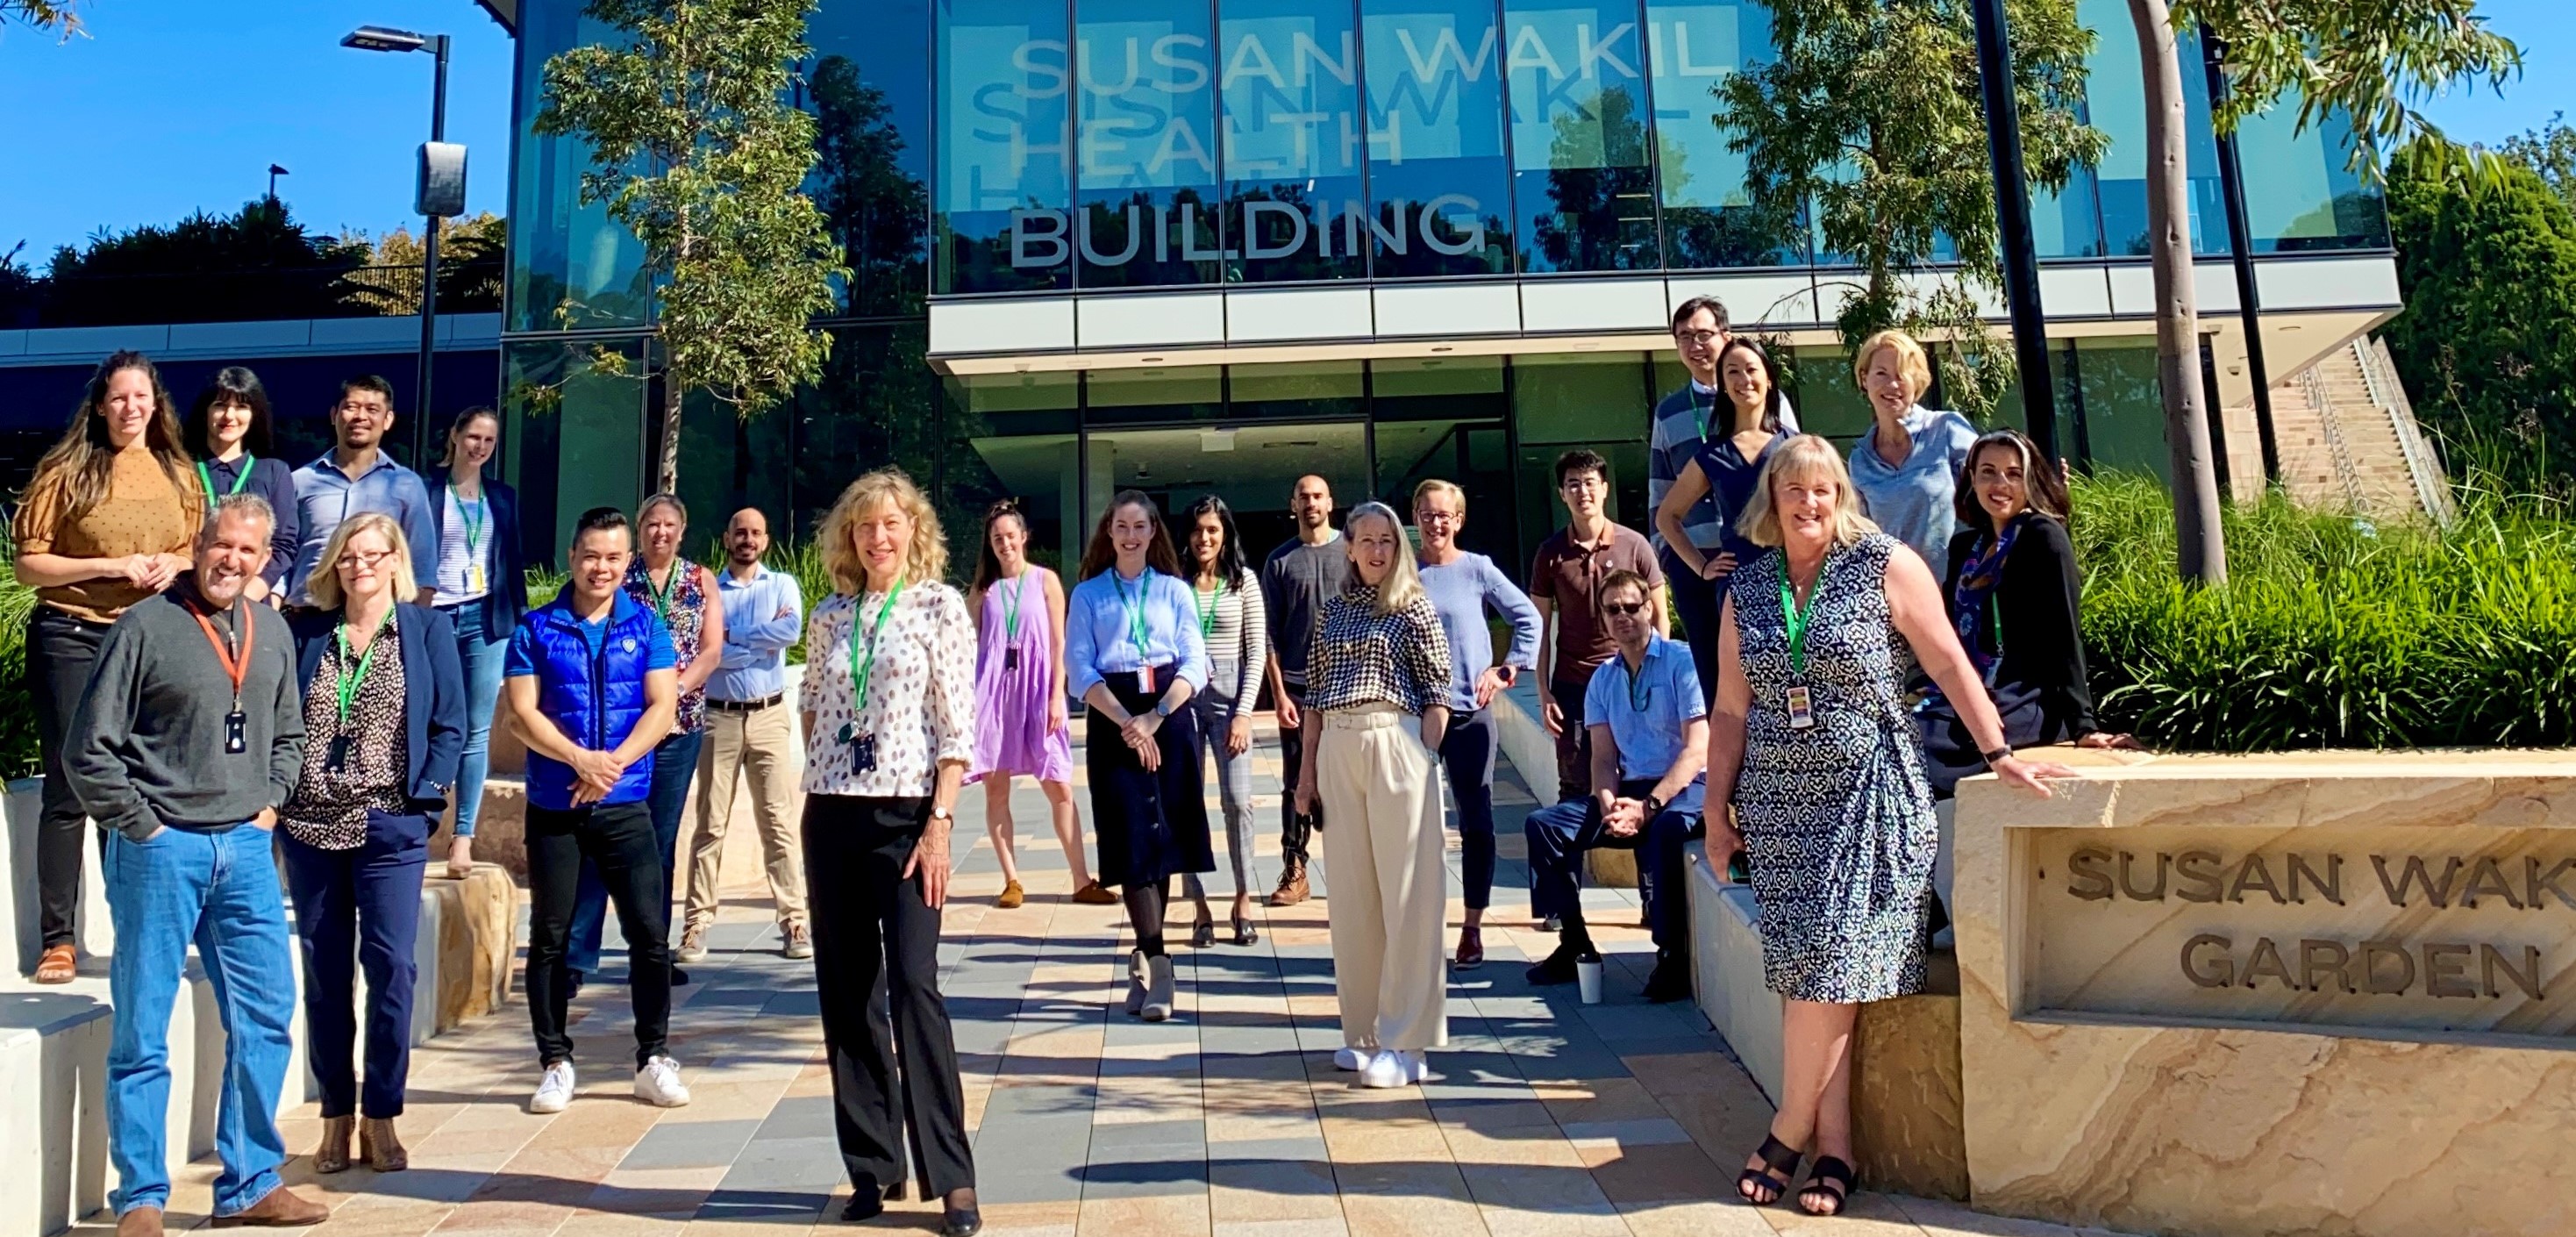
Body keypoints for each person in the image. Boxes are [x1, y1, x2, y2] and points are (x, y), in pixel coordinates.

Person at [1706, 436, 2071, 1217]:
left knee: (1832, 960)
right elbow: (1731, 709)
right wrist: (1714, 812)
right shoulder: (1749, 589)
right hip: (1779, 806)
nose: (1809, 503)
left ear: (1842, 497)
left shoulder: (1883, 564)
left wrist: (1999, 753)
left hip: (1869, 795)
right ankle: (1836, 1149)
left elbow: (1948, 663)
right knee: (1810, 972)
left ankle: (1788, 1128)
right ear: (1771, 500)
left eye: (1823, 489)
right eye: (1794, 489)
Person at [66, 494, 330, 1233]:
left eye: (248, 551)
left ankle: (250, 1181)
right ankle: (142, 1198)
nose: (232, 560)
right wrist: (142, 826)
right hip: (161, 850)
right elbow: (88, 749)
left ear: (264, 560)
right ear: (198, 543)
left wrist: (271, 802)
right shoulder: (144, 626)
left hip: (244, 848)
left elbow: (290, 733)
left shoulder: (272, 630)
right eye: (222, 545)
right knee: (143, 1027)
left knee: (266, 1015)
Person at [796, 469, 981, 1236]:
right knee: (848, 995)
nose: (878, 538)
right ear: (850, 536)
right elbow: (813, 706)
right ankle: (872, 1166)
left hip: (908, 816)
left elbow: (957, 727)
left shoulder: (939, 607)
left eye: (891, 524)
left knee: (914, 984)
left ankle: (953, 1177)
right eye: (865, 525)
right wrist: (831, 770)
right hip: (832, 813)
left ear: (914, 532)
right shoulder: (829, 616)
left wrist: (939, 823)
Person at [281, 514, 465, 1175]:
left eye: (372, 555)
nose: (360, 566)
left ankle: (381, 1114)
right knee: (325, 976)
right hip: (310, 825)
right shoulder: (307, 632)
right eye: (348, 556)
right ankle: (335, 1114)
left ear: (395, 561)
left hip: (390, 824)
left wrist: (426, 799)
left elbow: (451, 724)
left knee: (392, 970)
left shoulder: (426, 629)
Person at [13, 351, 201, 985]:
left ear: (156, 404)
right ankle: (59, 940)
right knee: (71, 785)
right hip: (71, 634)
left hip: (147, 639)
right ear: (100, 406)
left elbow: (194, 549)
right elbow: (30, 565)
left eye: (140, 397)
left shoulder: (179, 473)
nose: (130, 408)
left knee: (137, 785)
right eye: (118, 397)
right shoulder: (66, 471)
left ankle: (135, 929)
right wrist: (110, 566)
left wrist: (175, 564)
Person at [505, 506, 689, 1115]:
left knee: (649, 935)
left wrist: (610, 766)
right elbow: (522, 714)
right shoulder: (535, 628)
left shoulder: (647, 626)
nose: (601, 568)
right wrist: (579, 760)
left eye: (613, 557)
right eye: (591, 556)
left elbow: (662, 706)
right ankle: (555, 1061)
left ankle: (653, 1057)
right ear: (572, 557)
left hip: (625, 801)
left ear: (627, 562)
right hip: (556, 806)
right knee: (551, 937)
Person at [1916, 430, 2134, 925]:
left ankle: (1926, 912)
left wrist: (2083, 724)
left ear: (2031, 480)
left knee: (1921, 752)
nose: (2000, 484)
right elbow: (1945, 633)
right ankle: (1921, 908)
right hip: (1966, 690)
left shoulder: (2043, 537)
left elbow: (2065, 632)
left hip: (2025, 696)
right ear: (1971, 480)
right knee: (1895, 744)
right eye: (1988, 473)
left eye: (2013, 474)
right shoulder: (1967, 545)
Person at [1293, 501, 1452, 1090]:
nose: (1377, 550)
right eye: (1366, 540)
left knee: (1408, 897)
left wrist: (1424, 756)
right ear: (1350, 547)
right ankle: (1363, 1032)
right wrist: (1305, 777)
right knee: (1353, 899)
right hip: (1338, 743)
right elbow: (1313, 698)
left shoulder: (1413, 605)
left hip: (1394, 739)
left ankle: (1408, 1041)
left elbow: (1438, 692)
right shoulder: (1333, 610)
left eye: (1387, 540)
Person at [1521, 569, 1708, 1004]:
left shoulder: (1682, 662)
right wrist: (1609, 806)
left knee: (1665, 831)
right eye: (1612, 610)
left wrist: (1648, 808)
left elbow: (1697, 750)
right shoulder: (1602, 679)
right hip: (1630, 791)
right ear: (1603, 618)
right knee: (1544, 825)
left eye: (1631, 607)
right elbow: (1603, 759)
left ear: (1649, 609)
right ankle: (1574, 943)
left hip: (1686, 787)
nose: (1622, 616)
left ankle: (1671, 956)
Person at [565, 495, 724, 990]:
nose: (660, 532)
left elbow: (712, 650)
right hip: (620, 730)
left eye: (669, 524)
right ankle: (577, 956)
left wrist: (672, 693)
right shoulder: (618, 576)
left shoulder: (700, 579)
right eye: (652, 523)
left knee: (659, 841)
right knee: (598, 836)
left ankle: (652, 954)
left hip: (679, 729)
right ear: (639, 529)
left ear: (683, 529)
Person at [1067, 491, 1213, 1023]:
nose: (1130, 536)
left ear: (1154, 532)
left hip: (1167, 712)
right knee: (1131, 838)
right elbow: (1079, 667)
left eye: (1140, 527)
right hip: (1113, 716)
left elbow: (1195, 661)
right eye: (1121, 527)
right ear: (1109, 532)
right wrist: (1127, 722)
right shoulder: (1087, 594)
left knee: (1163, 839)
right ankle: (1158, 962)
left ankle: (1147, 960)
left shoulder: (1175, 590)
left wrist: (1155, 717)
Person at [1409, 479, 1539, 969]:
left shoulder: (1477, 569)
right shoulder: (1403, 573)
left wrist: (1506, 669)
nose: (1435, 523)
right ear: (1415, 518)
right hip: (1416, 717)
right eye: (1427, 514)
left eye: (1444, 515)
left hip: (1469, 714)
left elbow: (1528, 618)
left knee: (1476, 823)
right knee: (1414, 828)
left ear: (1459, 520)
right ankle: (1417, 928)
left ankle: (1471, 927)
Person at [1649, 298, 1797, 701]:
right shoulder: (1668, 412)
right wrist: (1684, 562)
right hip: (1702, 565)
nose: (1695, 345)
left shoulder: (1773, 408)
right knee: (1719, 685)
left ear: (1725, 336)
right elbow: (1661, 496)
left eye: (1703, 334)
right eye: (1684, 337)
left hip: (1771, 558)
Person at [682, 507, 812, 962]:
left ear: (766, 540)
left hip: (769, 715)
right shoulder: (708, 590)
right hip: (718, 719)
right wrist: (752, 646)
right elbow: (704, 650)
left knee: (778, 823)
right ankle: (696, 924)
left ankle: (794, 921)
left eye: (756, 532)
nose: (748, 539)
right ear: (727, 538)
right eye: (740, 532)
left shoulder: (782, 586)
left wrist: (731, 636)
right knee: (710, 824)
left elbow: (790, 631)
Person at [964, 499, 1107, 909]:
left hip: (1038, 693)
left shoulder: (1045, 581)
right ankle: (1011, 880)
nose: (1005, 544)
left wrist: (1057, 695)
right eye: (997, 538)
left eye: (1011, 536)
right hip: (995, 698)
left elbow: (1059, 643)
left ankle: (1081, 878)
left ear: (1024, 537)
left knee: (1059, 785)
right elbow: (973, 647)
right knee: (996, 791)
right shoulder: (984, 590)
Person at [1530, 449, 1664, 811]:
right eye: (1573, 484)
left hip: (1630, 680)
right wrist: (1544, 692)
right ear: (1562, 493)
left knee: (1638, 775)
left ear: (1604, 489)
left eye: (1590, 483)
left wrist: (1658, 677)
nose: (1582, 492)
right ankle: (1573, 849)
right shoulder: (1550, 553)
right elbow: (1539, 628)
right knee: (1575, 783)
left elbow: (1659, 618)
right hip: (1573, 684)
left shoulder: (1634, 545)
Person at [429, 407, 529, 879]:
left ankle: (463, 837)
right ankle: (419, 823)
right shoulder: (426, 490)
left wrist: (520, 622)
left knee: (476, 730)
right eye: (473, 437)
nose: (480, 447)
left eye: (489, 440)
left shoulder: (502, 497)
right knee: (428, 721)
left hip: (485, 619)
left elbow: (512, 562)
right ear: (454, 435)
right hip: (434, 615)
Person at [1177, 494, 1267, 947]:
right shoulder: (1176, 583)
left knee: (1238, 801)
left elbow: (1256, 653)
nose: (1204, 538)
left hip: (1230, 703)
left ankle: (1243, 899)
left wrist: (1244, 714)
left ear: (1226, 534)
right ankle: (1199, 907)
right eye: (1197, 530)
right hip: (1184, 700)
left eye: (1212, 529)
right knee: (1186, 803)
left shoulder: (1244, 581)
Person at [1259, 472, 1350, 906]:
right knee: (1297, 780)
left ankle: (1353, 870)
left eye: (1318, 496)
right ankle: (1295, 870)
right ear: (1292, 505)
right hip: (1297, 689)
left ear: (1330, 503)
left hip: (1348, 688)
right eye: (1303, 497)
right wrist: (1278, 695)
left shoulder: (1352, 552)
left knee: (1350, 779)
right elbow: (1269, 635)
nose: (1311, 503)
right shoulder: (1279, 561)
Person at [289, 375, 439, 606]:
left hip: (378, 615)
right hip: (307, 612)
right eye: (351, 407)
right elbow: (283, 554)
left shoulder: (407, 485)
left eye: (372, 409)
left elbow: (422, 565)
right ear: (334, 415)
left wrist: (418, 621)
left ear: (388, 420)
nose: (360, 416)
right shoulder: (301, 481)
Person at [1845, 330, 1978, 570]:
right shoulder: (1859, 460)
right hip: (1895, 586)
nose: (1892, 385)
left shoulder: (1947, 429)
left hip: (1959, 583)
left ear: (1917, 380)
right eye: (1881, 373)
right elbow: (1863, 538)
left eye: (1901, 374)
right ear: (1864, 379)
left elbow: (1991, 492)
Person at [182, 367, 300, 605]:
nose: (229, 415)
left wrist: (247, 596)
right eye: (220, 405)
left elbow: (284, 545)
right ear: (205, 411)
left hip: (248, 600)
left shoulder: (274, 472)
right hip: (187, 598)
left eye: (241, 407)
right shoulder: (181, 470)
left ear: (255, 413)